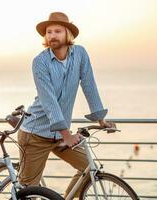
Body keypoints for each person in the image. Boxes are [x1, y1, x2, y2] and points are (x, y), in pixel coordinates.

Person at [17, 12, 114, 199]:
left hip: (60, 134)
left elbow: (89, 85)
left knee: (87, 167)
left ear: (68, 33)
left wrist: (100, 119)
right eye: (49, 32)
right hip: (35, 134)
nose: (52, 35)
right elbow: (49, 101)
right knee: (28, 191)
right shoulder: (40, 62)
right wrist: (67, 135)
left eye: (57, 31)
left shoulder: (80, 54)